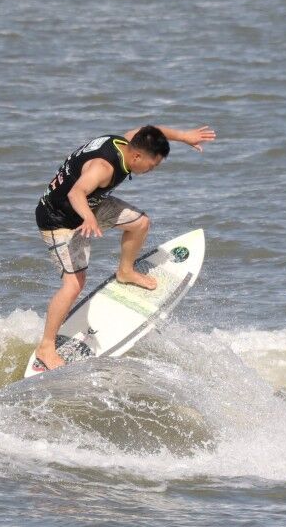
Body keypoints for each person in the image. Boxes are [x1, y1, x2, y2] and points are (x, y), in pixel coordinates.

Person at [33, 124, 216, 370]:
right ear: (138, 156)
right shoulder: (103, 167)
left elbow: (148, 127)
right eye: (152, 165)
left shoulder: (126, 142)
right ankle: (46, 346)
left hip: (90, 205)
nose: (152, 170)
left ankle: (125, 271)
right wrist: (88, 218)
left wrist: (184, 136)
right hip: (60, 219)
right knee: (74, 283)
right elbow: (76, 193)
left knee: (140, 223)